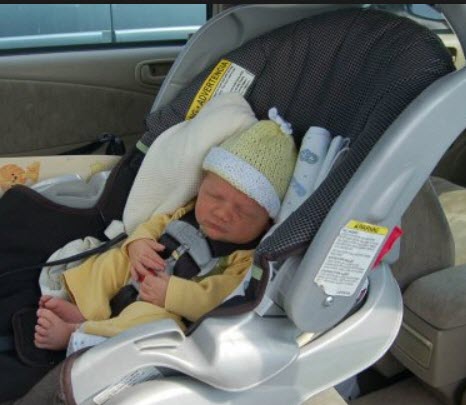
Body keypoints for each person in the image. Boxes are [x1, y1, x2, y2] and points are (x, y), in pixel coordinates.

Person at [33, 116, 297, 351]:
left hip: (165, 304)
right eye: (215, 196)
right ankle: (85, 309)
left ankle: (80, 334)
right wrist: (139, 244)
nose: (223, 213)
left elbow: (216, 298)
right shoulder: (186, 212)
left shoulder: (243, 258)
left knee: (155, 324)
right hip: (139, 271)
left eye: (244, 212)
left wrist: (171, 294)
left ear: (266, 223)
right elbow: (155, 224)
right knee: (111, 262)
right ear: (201, 187)